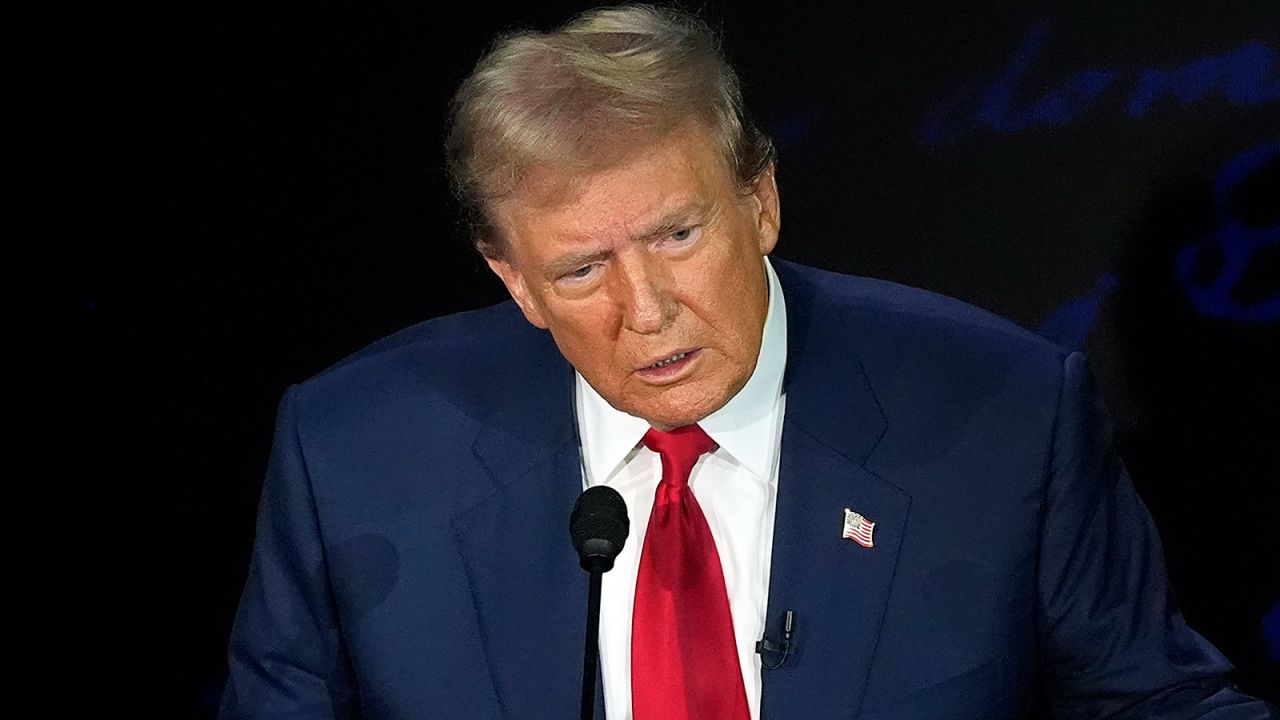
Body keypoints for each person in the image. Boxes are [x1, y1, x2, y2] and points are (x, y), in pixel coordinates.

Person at [219, 5, 1277, 719]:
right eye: (582, 268)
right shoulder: (353, 451)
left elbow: (1155, 702)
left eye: (677, 236)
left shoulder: (998, 416)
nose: (646, 310)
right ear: (514, 282)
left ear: (759, 200)